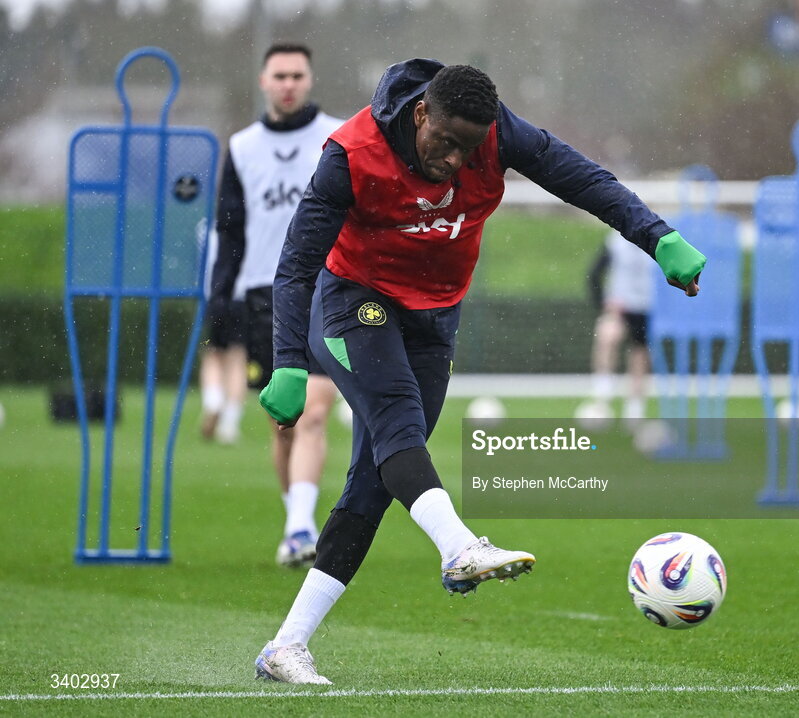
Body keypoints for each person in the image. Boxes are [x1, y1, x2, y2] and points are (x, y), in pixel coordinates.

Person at [253, 59, 705, 684]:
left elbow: (582, 180)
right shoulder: (350, 153)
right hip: (353, 300)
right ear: (420, 115)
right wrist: (289, 364)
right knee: (398, 422)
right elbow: (297, 264)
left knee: (375, 480)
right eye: (445, 143)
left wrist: (658, 238)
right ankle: (459, 546)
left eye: (469, 148)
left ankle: (285, 647)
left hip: (434, 316)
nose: (456, 162)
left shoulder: (497, 134)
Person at [210, 43, 343, 566]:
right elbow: (230, 229)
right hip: (264, 293)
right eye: (279, 75)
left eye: (297, 75)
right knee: (283, 422)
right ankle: (298, 521)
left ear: (309, 80)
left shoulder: (338, 136)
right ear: (264, 81)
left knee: (312, 412)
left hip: (330, 288)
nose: (288, 83)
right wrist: (220, 299)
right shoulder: (242, 147)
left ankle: (299, 529)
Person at [580, 230, 653, 425]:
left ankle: (635, 406)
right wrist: (603, 301)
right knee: (607, 336)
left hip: (646, 306)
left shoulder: (658, 242)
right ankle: (604, 388)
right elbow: (594, 273)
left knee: (640, 354)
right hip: (619, 306)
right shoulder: (616, 242)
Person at [198, 227, 248, 445]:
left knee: (212, 355)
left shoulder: (206, 228)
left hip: (217, 295)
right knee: (237, 359)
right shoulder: (251, 225)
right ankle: (230, 422)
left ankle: (213, 400)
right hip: (243, 296)